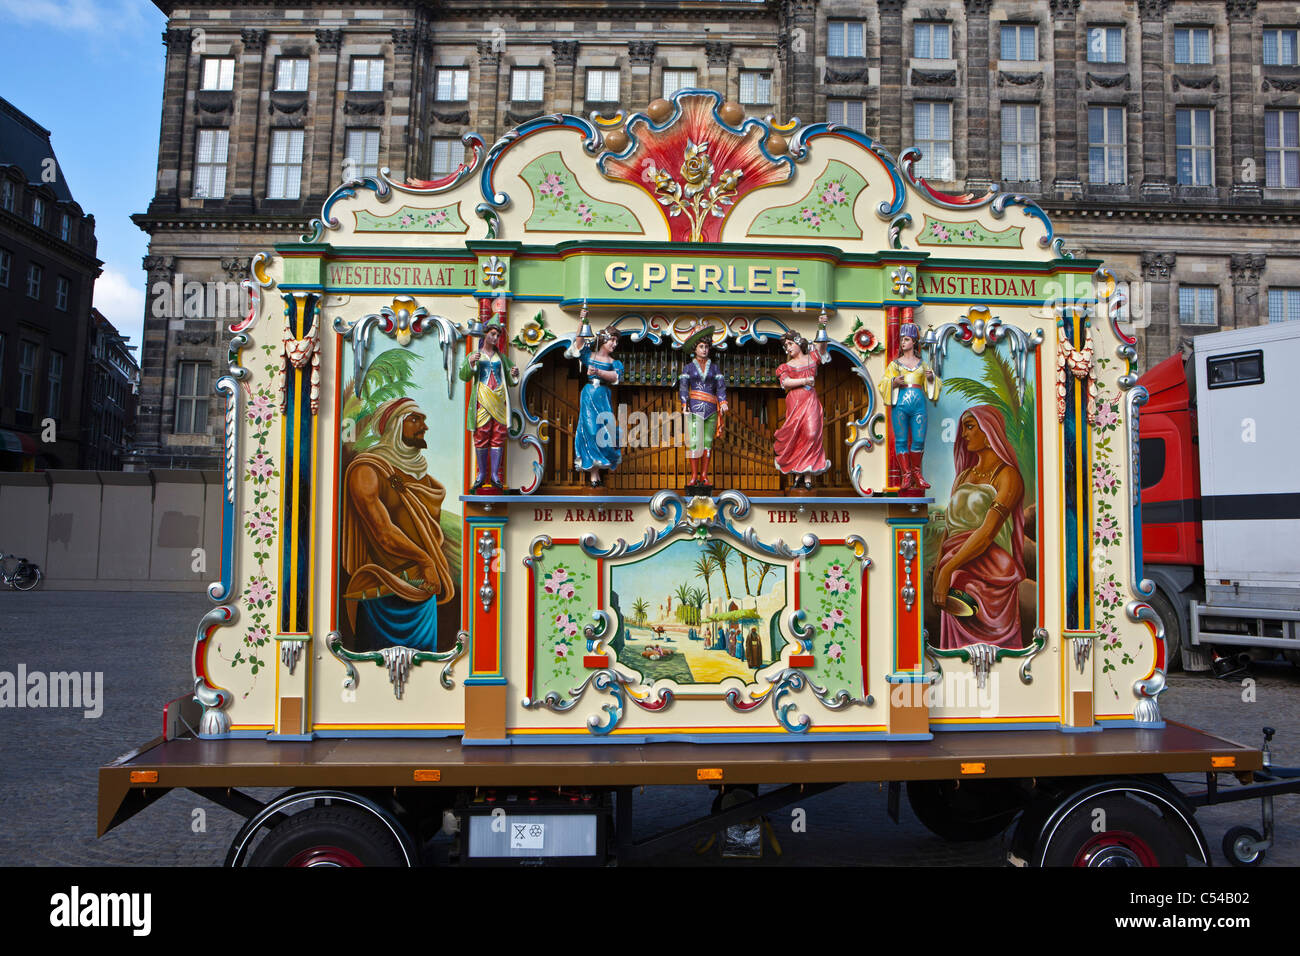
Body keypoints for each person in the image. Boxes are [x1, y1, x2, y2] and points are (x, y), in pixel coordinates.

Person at [341, 397, 457, 651]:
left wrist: (427, 566)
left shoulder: (422, 479)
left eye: (424, 420)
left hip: (422, 589)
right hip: (382, 591)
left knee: (426, 663)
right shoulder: (368, 470)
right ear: (394, 426)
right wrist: (426, 561)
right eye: (415, 419)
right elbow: (383, 532)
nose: (424, 426)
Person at [932, 405, 1027, 650]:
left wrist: (946, 570)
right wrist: (940, 567)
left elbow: (986, 534)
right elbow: (949, 529)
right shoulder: (963, 477)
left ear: (989, 431)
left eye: (970, 427)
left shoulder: (1007, 477)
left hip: (990, 577)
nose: (964, 434)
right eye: (963, 428)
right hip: (955, 577)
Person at [458, 318, 520, 492]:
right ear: (485, 334)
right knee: (481, 434)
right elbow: (464, 376)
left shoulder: (502, 358)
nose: (495, 337)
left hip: (499, 400)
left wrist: (514, 373)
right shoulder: (475, 355)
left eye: (498, 335)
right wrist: (471, 363)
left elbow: (511, 380)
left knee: (498, 435)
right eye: (493, 334)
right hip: (482, 399)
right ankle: (481, 474)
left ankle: (494, 475)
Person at [878, 322, 940, 493]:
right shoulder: (895, 365)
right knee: (901, 440)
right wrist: (893, 382)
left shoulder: (923, 364)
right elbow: (883, 383)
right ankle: (906, 475)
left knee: (919, 440)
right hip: (900, 406)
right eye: (901, 340)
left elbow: (934, 386)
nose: (902, 343)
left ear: (914, 342)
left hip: (918, 405)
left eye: (906, 339)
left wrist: (930, 379)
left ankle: (917, 475)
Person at [566, 327, 623, 486]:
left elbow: (615, 377)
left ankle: (603, 462)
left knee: (605, 431)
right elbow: (579, 343)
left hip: (603, 395)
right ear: (603, 339)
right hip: (589, 394)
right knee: (590, 429)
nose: (614, 344)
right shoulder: (589, 356)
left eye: (616, 341)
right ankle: (593, 473)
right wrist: (582, 322)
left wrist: (598, 371)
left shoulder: (614, 362)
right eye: (612, 340)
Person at [773, 329, 830, 489]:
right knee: (796, 435)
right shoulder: (786, 366)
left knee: (811, 433)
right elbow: (785, 383)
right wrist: (805, 379)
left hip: (810, 400)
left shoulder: (812, 358)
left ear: (799, 342)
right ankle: (800, 476)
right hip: (795, 401)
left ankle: (808, 474)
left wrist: (821, 326)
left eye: (790, 344)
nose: (788, 348)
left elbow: (823, 346)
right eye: (786, 346)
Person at [679, 326, 728, 488]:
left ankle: (704, 475)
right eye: (701, 346)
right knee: (694, 442)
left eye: (707, 347)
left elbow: (720, 387)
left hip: (711, 409)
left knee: (707, 442)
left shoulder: (714, 368)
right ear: (695, 349)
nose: (704, 349)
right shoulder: (688, 368)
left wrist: (723, 402)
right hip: (694, 407)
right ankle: (693, 476)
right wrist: (684, 403)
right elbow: (684, 387)